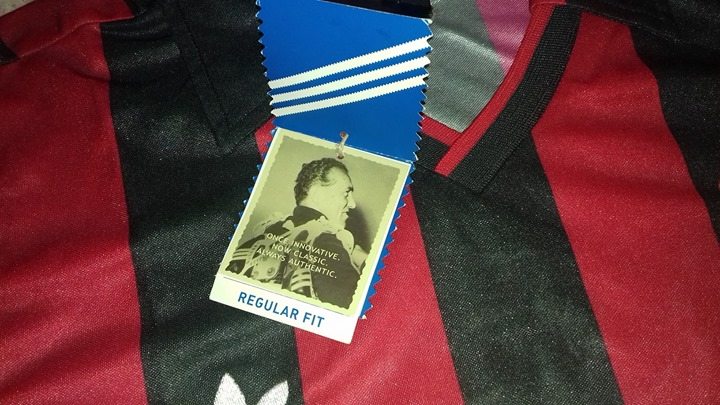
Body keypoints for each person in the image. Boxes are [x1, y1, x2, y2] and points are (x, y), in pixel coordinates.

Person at [226, 158, 367, 309]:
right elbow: (355, 310)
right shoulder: (326, 240)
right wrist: (363, 260)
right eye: (346, 193)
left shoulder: (264, 235)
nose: (352, 204)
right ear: (317, 194)